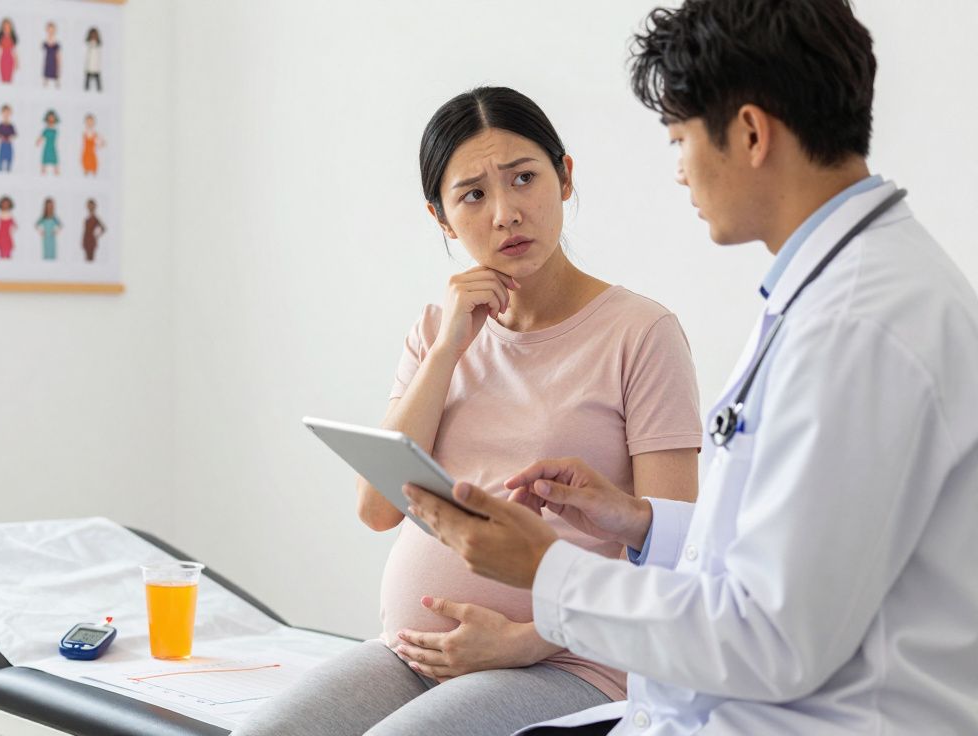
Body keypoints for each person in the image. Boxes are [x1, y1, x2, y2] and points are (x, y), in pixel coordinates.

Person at [405, 1, 978, 734]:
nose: (679, 173)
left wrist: (547, 570)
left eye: (679, 140)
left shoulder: (856, 326)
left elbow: (771, 637)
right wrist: (643, 523)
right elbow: (786, 549)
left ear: (749, 133)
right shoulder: (834, 290)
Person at [233, 87, 703, 736]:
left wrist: (530, 638)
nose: (507, 213)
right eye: (474, 195)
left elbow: (681, 551)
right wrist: (449, 347)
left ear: (565, 178)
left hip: (568, 661)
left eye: (524, 179)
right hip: (414, 655)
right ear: (442, 219)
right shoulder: (437, 330)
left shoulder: (642, 333)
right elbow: (376, 508)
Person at [37, 110, 60, 175]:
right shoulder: (46, 130)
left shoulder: (55, 129)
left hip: (52, 147)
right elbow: (41, 137)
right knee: (44, 161)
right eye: (49, 118)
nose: (51, 119)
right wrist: (38, 141)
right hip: (47, 147)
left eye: (52, 118)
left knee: (55, 161)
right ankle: (43, 174)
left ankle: (57, 174)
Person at [0, 18, 18, 84]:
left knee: (9, 79)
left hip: (10, 59)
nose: (7, 28)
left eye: (8, 26)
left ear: (11, 27)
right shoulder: (0, 37)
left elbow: (15, 51)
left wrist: (17, 62)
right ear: (2, 27)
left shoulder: (13, 38)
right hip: (2, 59)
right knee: (3, 79)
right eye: (5, 26)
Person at [0, 105, 16, 172]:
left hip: (9, 144)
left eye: (8, 112)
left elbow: (14, 135)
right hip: (2, 144)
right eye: (4, 112)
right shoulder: (0, 125)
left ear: (10, 113)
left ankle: (8, 172)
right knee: (0, 160)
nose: (6, 114)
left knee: (9, 160)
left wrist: (11, 137)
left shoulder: (11, 126)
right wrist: (1, 137)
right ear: (2, 113)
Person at [42, 22, 61, 88]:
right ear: (47, 30)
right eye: (49, 30)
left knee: (56, 80)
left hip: (54, 62)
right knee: (45, 79)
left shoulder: (56, 42)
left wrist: (59, 65)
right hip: (47, 62)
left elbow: (58, 55)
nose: (51, 32)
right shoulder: (45, 42)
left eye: (52, 30)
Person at [84, 27, 103, 91]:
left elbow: (99, 57)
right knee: (86, 86)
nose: (93, 36)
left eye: (95, 34)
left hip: (96, 67)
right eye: (92, 34)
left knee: (99, 87)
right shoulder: (87, 45)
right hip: (88, 67)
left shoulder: (99, 46)